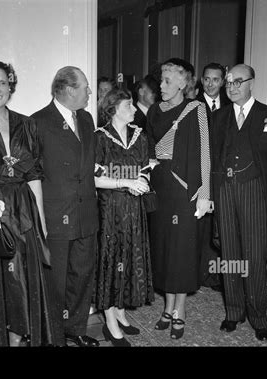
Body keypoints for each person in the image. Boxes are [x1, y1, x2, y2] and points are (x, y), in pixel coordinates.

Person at [0, 61, 53, 346]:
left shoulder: (27, 124)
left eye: (3, 82)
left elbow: (34, 175)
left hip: (23, 208)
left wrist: (41, 222)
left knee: (22, 280)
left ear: (11, 86)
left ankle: (17, 340)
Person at [211, 64, 267, 341]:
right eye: (228, 82)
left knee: (254, 256)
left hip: (256, 190)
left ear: (252, 83)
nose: (231, 87)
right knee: (229, 254)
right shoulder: (218, 117)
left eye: (237, 81)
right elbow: (213, 158)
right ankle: (233, 312)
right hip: (225, 192)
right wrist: (210, 195)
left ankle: (258, 317)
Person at [31, 66, 99, 347]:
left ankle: (76, 328)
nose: (90, 92)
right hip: (56, 217)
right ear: (69, 90)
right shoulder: (37, 122)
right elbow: (32, 174)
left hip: (86, 215)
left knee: (82, 276)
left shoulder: (86, 119)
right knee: (55, 282)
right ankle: (54, 337)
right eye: (85, 87)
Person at [146, 58, 213, 340]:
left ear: (183, 83)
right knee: (164, 251)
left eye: (168, 81)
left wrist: (204, 194)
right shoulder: (153, 111)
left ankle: (180, 310)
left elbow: (205, 152)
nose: (161, 86)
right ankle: (167, 307)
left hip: (186, 191)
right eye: (161, 80)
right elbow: (149, 150)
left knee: (182, 253)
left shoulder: (196, 108)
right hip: (161, 189)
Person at [93, 88, 154, 346]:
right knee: (111, 259)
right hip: (111, 209)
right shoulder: (100, 138)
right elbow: (95, 178)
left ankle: (120, 312)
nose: (135, 110)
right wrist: (125, 182)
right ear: (113, 108)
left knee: (129, 258)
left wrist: (142, 181)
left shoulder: (140, 136)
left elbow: (146, 170)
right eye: (129, 105)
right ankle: (109, 322)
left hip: (134, 209)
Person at [197, 62, 231, 292]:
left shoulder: (231, 107)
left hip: (222, 176)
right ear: (201, 80)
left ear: (223, 81)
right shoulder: (192, 105)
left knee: (219, 227)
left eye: (216, 80)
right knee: (200, 226)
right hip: (199, 175)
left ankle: (216, 277)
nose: (211, 84)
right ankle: (198, 275)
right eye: (207, 79)